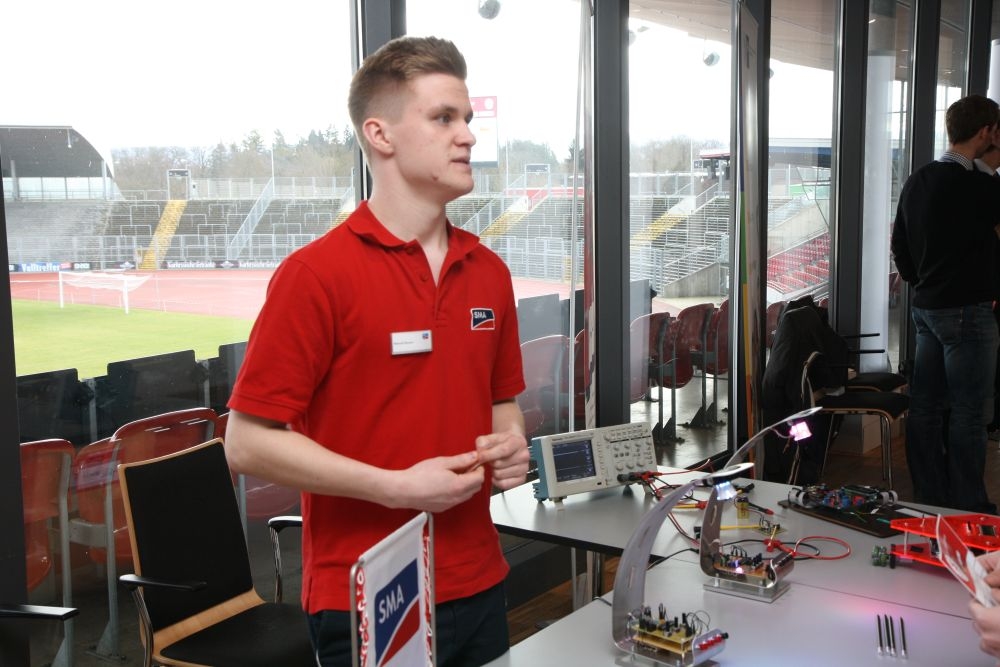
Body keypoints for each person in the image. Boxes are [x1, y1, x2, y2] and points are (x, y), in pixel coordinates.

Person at [224, 36, 529, 667]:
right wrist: (395, 488)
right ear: (380, 134)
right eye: (443, 118)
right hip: (369, 595)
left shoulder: (490, 273)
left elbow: (501, 401)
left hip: (479, 579)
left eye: (466, 118)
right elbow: (246, 443)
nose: (467, 135)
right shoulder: (315, 275)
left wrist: (511, 445)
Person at [890, 94, 1000, 513]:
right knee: (969, 413)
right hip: (968, 312)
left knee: (925, 409)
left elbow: (899, 246)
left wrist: (924, 283)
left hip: (927, 310)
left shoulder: (918, 179)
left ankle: (930, 499)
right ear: (986, 132)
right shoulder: (982, 186)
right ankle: (968, 504)